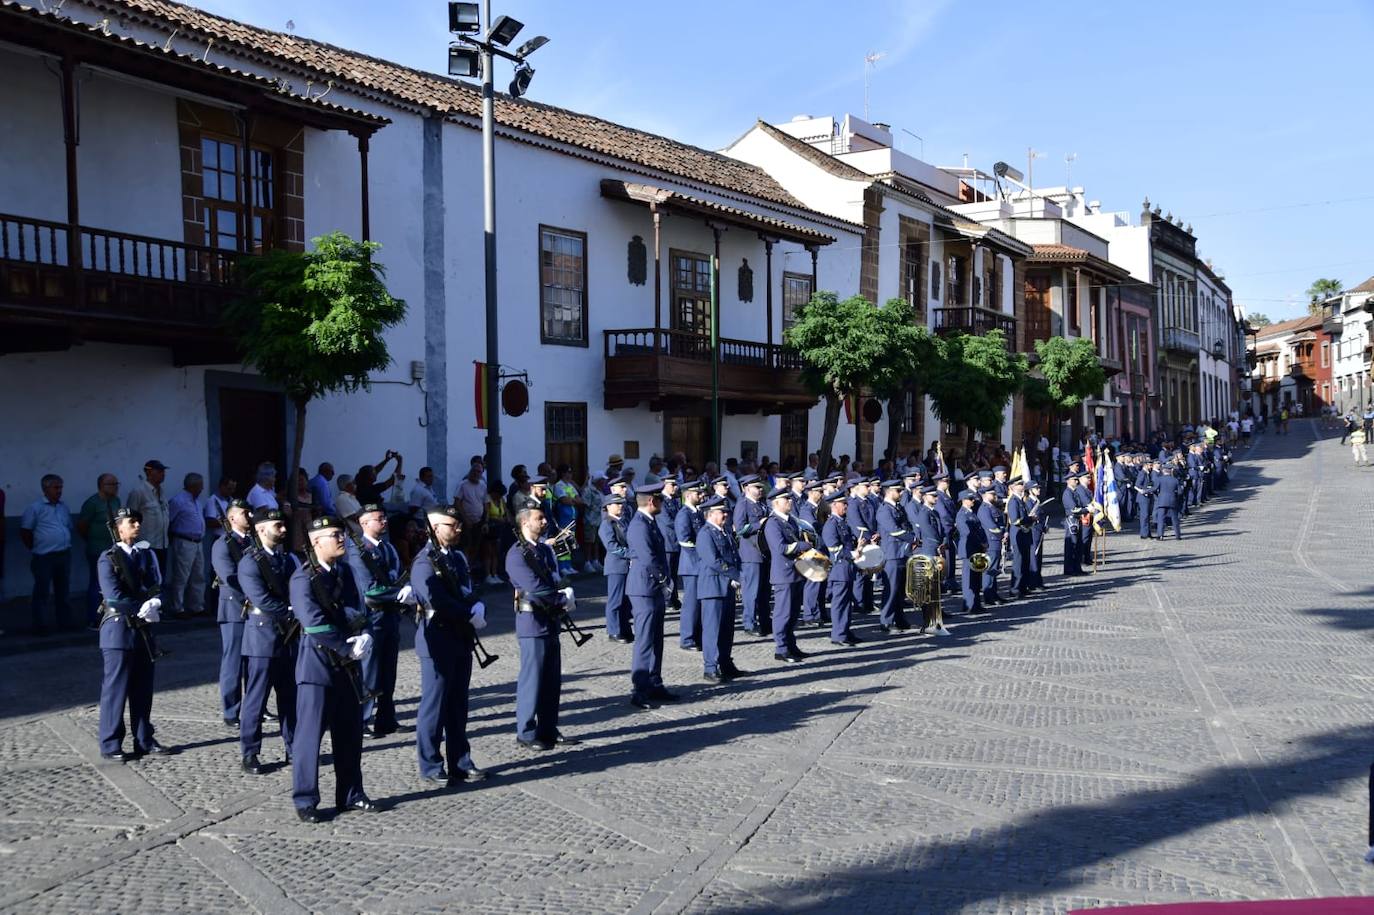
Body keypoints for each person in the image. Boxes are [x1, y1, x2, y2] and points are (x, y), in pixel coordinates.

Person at [288, 516, 377, 822]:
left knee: (350, 733)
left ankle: (351, 794)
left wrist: (365, 633)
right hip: (318, 667)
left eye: (341, 534)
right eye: (333, 535)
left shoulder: (347, 572)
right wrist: (345, 645)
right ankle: (306, 799)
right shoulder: (302, 579)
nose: (341, 539)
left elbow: (358, 608)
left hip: (348, 666)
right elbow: (313, 623)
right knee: (309, 737)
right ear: (315, 542)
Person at [410, 506, 487, 786]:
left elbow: (468, 588)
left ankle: (460, 761)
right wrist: (468, 613)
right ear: (434, 527)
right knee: (435, 705)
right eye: (452, 525)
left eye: (458, 525)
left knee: (458, 705)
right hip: (438, 638)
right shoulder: (424, 562)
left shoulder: (456, 556)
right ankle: (431, 764)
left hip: (460, 637)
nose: (458, 529)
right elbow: (435, 600)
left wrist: (478, 604)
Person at [95, 506, 169, 761]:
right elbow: (113, 596)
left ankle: (143, 739)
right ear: (118, 528)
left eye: (138, 522)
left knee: (143, 688)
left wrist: (156, 601)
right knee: (116, 689)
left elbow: (157, 584)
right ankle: (110, 742)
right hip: (118, 629)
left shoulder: (146, 555)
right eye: (131, 522)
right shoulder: (108, 558)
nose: (137, 526)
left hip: (143, 631)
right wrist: (141, 607)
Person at [507, 506, 578, 751]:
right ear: (525, 522)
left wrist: (562, 592)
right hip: (532, 621)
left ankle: (548, 727)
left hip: (551, 621)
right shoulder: (516, 554)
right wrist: (562, 600)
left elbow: (555, 579)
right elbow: (534, 588)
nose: (545, 521)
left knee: (551, 681)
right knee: (532, 680)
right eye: (539, 518)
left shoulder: (545, 550)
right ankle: (526, 732)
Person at [237, 507, 300, 775]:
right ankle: (250, 752)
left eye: (283, 525)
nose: (283, 529)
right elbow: (261, 599)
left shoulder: (288, 560)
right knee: (256, 698)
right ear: (261, 529)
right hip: (262, 635)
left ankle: (294, 748)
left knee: (290, 696)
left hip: (289, 635)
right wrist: (292, 611)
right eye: (278, 525)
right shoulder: (250, 562)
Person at [347, 504, 416, 739]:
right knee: (369, 671)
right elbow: (368, 590)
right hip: (372, 617)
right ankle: (361, 719)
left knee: (389, 671)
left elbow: (397, 575)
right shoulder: (357, 550)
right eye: (378, 519)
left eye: (384, 518)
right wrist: (397, 593)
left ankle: (386, 718)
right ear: (364, 523)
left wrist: (401, 590)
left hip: (390, 616)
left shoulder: (388, 548)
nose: (384, 522)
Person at [625, 484, 676, 709]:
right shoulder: (639, 525)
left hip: (652, 587)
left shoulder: (649, 522)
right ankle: (639, 689)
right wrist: (665, 580)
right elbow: (648, 558)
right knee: (645, 641)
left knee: (656, 639)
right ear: (652, 502)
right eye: (660, 500)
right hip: (644, 587)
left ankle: (655, 682)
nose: (663, 504)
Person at [210, 498, 252, 729]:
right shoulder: (223, 544)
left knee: (255, 662)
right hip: (235, 608)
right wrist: (256, 592)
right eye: (244, 512)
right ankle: (231, 709)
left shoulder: (253, 541)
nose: (249, 516)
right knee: (234, 661)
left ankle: (257, 706)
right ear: (232, 517)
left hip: (256, 610)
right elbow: (230, 577)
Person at [694, 495, 744, 680]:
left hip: (727, 587)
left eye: (725, 512)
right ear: (710, 514)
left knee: (726, 628)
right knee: (712, 629)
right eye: (721, 512)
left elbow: (734, 556)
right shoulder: (705, 534)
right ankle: (710, 667)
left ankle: (725, 662)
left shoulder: (725, 532)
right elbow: (714, 561)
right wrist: (736, 575)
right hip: (713, 587)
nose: (725, 515)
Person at [763, 486, 813, 662]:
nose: (790, 502)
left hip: (796, 571)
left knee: (793, 613)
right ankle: (781, 648)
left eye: (790, 499)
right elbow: (780, 548)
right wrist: (801, 546)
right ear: (776, 503)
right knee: (782, 613)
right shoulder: (772, 523)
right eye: (786, 500)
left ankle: (791, 645)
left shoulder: (790, 521)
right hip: (783, 573)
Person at [21, 473, 74, 634]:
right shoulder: (35, 508)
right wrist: (36, 548)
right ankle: (40, 625)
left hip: (63, 554)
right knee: (42, 592)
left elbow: (68, 526)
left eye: (61, 487)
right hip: (44, 556)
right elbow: (25, 531)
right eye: (56, 487)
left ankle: (64, 623)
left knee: (63, 591)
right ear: (45, 489)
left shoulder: (63, 507)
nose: (59, 491)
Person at [77, 473, 120, 630]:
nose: (116, 487)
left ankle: (111, 615)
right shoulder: (92, 503)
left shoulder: (116, 501)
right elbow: (82, 526)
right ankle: (94, 618)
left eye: (117, 484)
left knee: (113, 584)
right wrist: (92, 539)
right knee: (96, 584)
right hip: (97, 550)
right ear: (102, 486)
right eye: (113, 484)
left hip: (113, 550)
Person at [164, 473, 207, 620]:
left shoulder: (197, 502)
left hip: (197, 542)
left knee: (198, 576)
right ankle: (177, 607)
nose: (202, 488)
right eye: (200, 485)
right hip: (184, 541)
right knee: (181, 576)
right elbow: (168, 522)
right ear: (193, 486)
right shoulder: (178, 501)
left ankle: (197, 606)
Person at [821, 492, 860, 646]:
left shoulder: (842, 522)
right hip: (839, 569)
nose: (846, 506)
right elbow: (834, 549)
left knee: (847, 603)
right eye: (843, 503)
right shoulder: (831, 525)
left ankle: (845, 631)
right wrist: (852, 553)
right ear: (834, 505)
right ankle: (838, 634)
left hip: (847, 568)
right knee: (840, 604)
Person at [875, 480, 914, 633]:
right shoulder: (884, 510)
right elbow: (894, 530)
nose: (901, 493)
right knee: (891, 590)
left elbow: (906, 525)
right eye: (898, 491)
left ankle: (900, 619)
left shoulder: (898, 508)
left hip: (901, 552)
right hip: (892, 553)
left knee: (899, 590)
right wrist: (913, 539)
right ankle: (886, 621)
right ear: (890, 491)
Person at [733, 476, 770, 636]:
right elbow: (739, 529)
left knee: (764, 592)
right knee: (751, 592)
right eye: (756, 487)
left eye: (761, 487)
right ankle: (749, 623)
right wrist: (758, 525)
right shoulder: (743, 504)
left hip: (764, 552)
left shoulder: (762, 504)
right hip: (750, 553)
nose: (760, 490)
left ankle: (765, 622)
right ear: (746, 488)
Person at [125, 460, 170, 583]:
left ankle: (159, 601)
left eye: (163, 471)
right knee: (148, 580)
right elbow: (130, 519)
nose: (163, 474)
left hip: (163, 545)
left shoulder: (162, 491)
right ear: (149, 472)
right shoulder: (138, 491)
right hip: (146, 546)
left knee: (160, 579)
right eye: (159, 471)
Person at [674, 480, 705, 650]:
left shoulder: (698, 512)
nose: (701, 495)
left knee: (699, 603)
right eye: (697, 493)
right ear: (687, 495)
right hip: (692, 564)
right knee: (691, 604)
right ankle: (687, 638)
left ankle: (697, 635)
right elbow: (685, 541)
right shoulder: (684, 514)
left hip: (699, 565)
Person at [955, 490, 986, 613]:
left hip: (976, 548)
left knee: (976, 577)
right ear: (964, 500)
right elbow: (967, 533)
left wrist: (983, 542)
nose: (973, 501)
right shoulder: (962, 514)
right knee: (969, 578)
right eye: (970, 499)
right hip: (969, 549)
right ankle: (969, 604)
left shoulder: (971, 513)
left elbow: (979, 529)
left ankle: (976, 603)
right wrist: (981, 542)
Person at [550, 466, 581, 574]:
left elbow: (579, 499)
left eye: (570, 473)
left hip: (571, 519)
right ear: (562, 474)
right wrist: (572, 500)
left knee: (570, 542)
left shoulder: (570, 485)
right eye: (567, 473)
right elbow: (564, 500)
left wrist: (572, 500)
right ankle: (562, 567)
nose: (569, 475)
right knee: (561, 541)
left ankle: (568, 565)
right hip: (562, 518)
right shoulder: (559, 485)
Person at [482, 481, 511, 585]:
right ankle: (488, 575)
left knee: (496, 552)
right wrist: (485, 523)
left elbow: (505, 512)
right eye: (498, 494)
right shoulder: (488, 499)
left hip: (499, 528)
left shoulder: (501, 500)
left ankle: (495, 574)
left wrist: (507, 519)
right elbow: (487, 514)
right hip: (490, 528)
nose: (499, 497)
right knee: (488, 552)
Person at [1154, 463, 1183, 541]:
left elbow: (1155, 489)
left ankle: (1160, 535)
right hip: (1172, 501)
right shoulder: (1175, 480)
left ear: (1163, 471)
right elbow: (1180, 492)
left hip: (1162, 501)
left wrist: (1158, 495)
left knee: (1161, 519)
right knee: (1175, 519)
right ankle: (1178, 535)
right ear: (1170, 471)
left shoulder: (1159, 479)